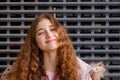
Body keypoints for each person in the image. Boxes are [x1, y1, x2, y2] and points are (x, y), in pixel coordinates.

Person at [0, 13, 106, 80]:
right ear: (34, 41)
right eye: (41, 33)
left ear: (60, 33)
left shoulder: (81, 72)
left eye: (53, 29)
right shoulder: (18, 74)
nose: (49, 35)